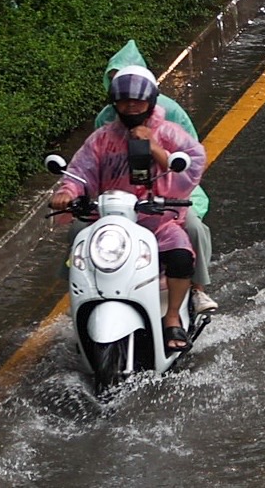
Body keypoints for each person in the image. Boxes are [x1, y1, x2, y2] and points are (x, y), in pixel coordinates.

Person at [52, 66, 208, 356]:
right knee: (83, 257)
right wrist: (67, 193)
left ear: (150, 101)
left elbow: (193, 163)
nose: (131, 107)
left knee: (180, 256)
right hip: (110, 221)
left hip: (158, 221)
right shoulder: (100, 138)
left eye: (137, 101)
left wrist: (154, 147)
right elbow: (79, 172)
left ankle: (172, 315)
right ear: (115, 103)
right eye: (124, 101)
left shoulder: (170, 133)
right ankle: (82, 313)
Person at [93, 41, 213, 317]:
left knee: (192, 228)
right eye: (116, 83)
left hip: (172, 190)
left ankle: (197, 289)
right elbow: (94, 163)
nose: (127, 98)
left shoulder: (170, 113)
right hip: (122, 195)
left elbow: (191, 157)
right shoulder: (105, 120)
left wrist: (157, 153)